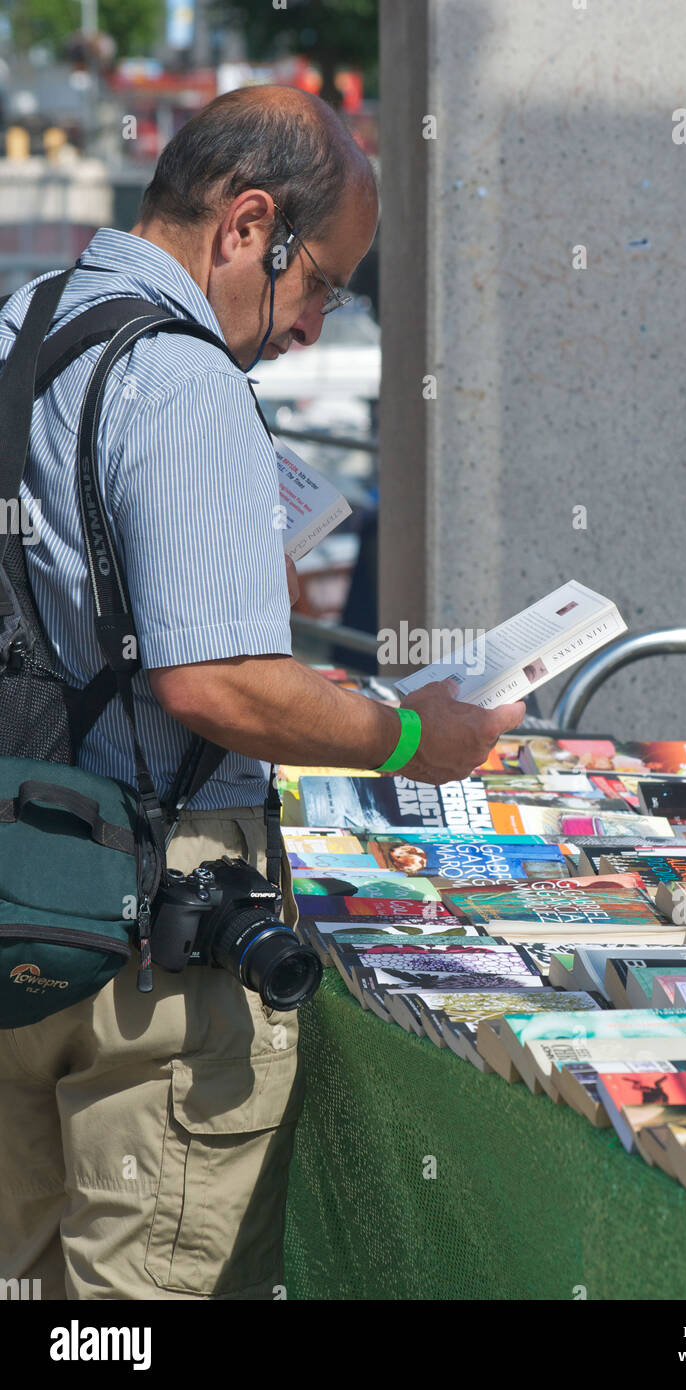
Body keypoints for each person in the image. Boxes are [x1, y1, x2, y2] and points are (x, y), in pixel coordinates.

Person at [0, 86, 524, 1301]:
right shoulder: (181, 380)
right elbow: (216, 683)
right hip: (153, 934)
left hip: (28, 890)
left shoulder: (27, 324)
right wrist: (409, 732)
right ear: (246, 226)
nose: (312, 328)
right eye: (323, 283)